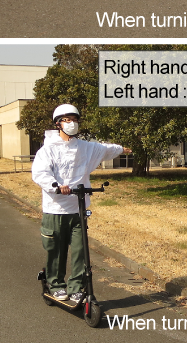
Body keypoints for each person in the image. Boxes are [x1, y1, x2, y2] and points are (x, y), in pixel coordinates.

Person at [32, 103, 131, 302]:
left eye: (75, 119)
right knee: (56, 251)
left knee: (80, 250)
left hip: (78, 207)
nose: (72, 123)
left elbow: (104, 149)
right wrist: (57, 186)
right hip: (55, 208)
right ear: (58, 123)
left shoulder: (85, 147)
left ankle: (76, 286)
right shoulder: (48, 149)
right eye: (67, 120)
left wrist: (121, 149)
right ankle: (56, 284)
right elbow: (40, 173)